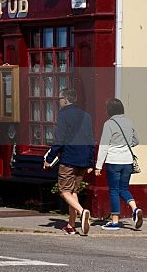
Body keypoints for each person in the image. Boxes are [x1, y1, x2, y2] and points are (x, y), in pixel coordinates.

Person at [45, 87, 96, 235]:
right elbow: (91, 140)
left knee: (64, 190)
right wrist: (91, 162)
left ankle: (82, 211)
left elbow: (59, 139)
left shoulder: (64, 115)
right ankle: (71, 225)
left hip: (69, 158)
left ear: (65, 100)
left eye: (59, 99)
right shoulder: (86, 116)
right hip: (83, 159)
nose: (59, 102)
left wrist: (49, 158)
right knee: (73, 192)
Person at [95, 98, 143, 230]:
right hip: (127, 161)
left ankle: (115, 221)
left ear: (109, 110)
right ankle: (135, 209)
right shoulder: (129, 121)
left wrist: (98, 165)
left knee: (114, 191)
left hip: (114, 161)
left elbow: (104, 145)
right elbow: (136, 140)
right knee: (124, 189)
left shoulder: (109, 123)